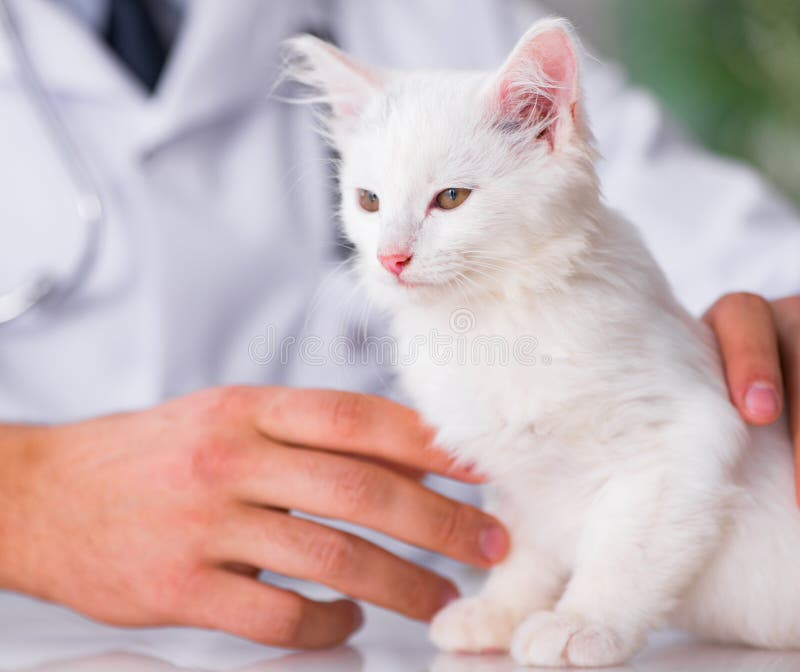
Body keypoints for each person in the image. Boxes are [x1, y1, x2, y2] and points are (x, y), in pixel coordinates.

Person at [0, 0, 798, 650]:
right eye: (370, 206)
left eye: (447, 202)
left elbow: (728, 240)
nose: (392, 255)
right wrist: (22, 500)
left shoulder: (436, 30)